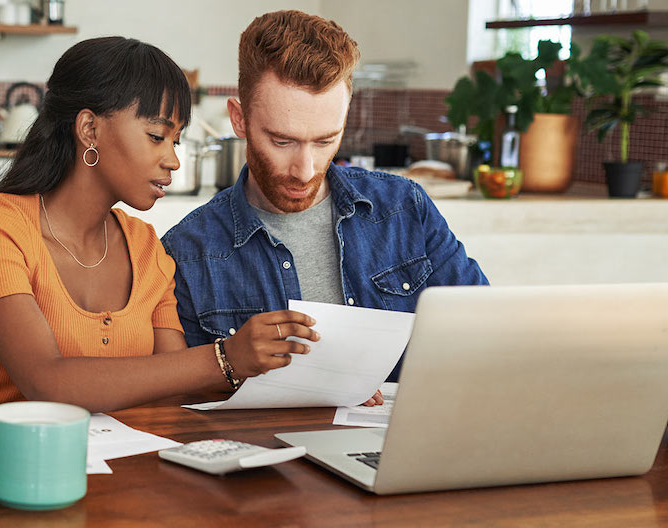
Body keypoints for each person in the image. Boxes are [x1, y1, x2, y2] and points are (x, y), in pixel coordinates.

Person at [0, 37, 321, 412]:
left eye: (175, 140)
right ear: (90, 130)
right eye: (157, 136)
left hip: (127, 464)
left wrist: (316, 386)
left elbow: (176, 387)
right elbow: (47, 383)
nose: (172, 160)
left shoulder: (145, 246)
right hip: (3, 461)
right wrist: (226, 357)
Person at [160, 11, 489, 390]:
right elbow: (188, 408)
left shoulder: (404, 208)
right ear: (239, 119)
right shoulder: (186, 252)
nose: (304, 169)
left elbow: (483, 331)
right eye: (282, 141)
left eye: (325, 141)